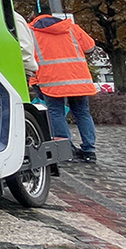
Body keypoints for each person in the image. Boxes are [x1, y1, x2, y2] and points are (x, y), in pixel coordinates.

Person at [29, 12, 98, 163]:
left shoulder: (31, 32)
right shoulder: (72, 28)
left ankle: (66, 150)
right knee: (83, 114)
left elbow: (28, 56)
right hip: (78, 80)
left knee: (56, 114)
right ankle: (89, 151)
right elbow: (90, 48)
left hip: (51, 81)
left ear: (35, 17)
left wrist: (34, 81)